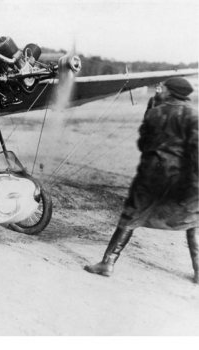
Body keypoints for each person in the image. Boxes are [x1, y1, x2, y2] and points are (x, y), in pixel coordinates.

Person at [84, 77, 198, 284]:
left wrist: (152, 106)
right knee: (193, 219)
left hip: (152, 174)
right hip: (182, 176)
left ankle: (107, 263)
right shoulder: (194, 115)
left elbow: (143, 143)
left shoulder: (155, 112)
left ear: (171, 92)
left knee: (131, 217)